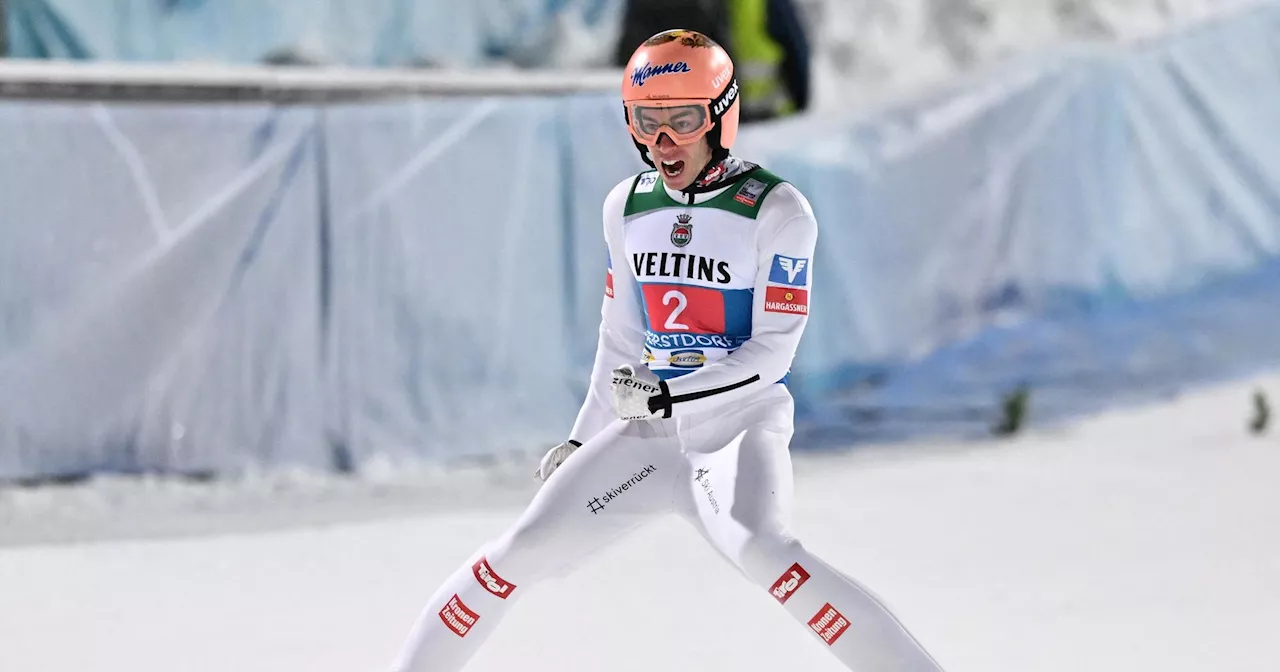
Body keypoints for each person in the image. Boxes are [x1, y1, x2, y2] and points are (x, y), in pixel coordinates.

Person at [389, 29, 946, 672]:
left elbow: (772, 352)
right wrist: (581, 438)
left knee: (766, 551)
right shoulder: (626, 206)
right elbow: (622, 336)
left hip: (734, 430)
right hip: (648, 433)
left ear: (719, 117)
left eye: (683, 120)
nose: (662, 140)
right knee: (521, 549)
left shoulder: (778, 210)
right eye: (646, 120)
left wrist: (668, 394)